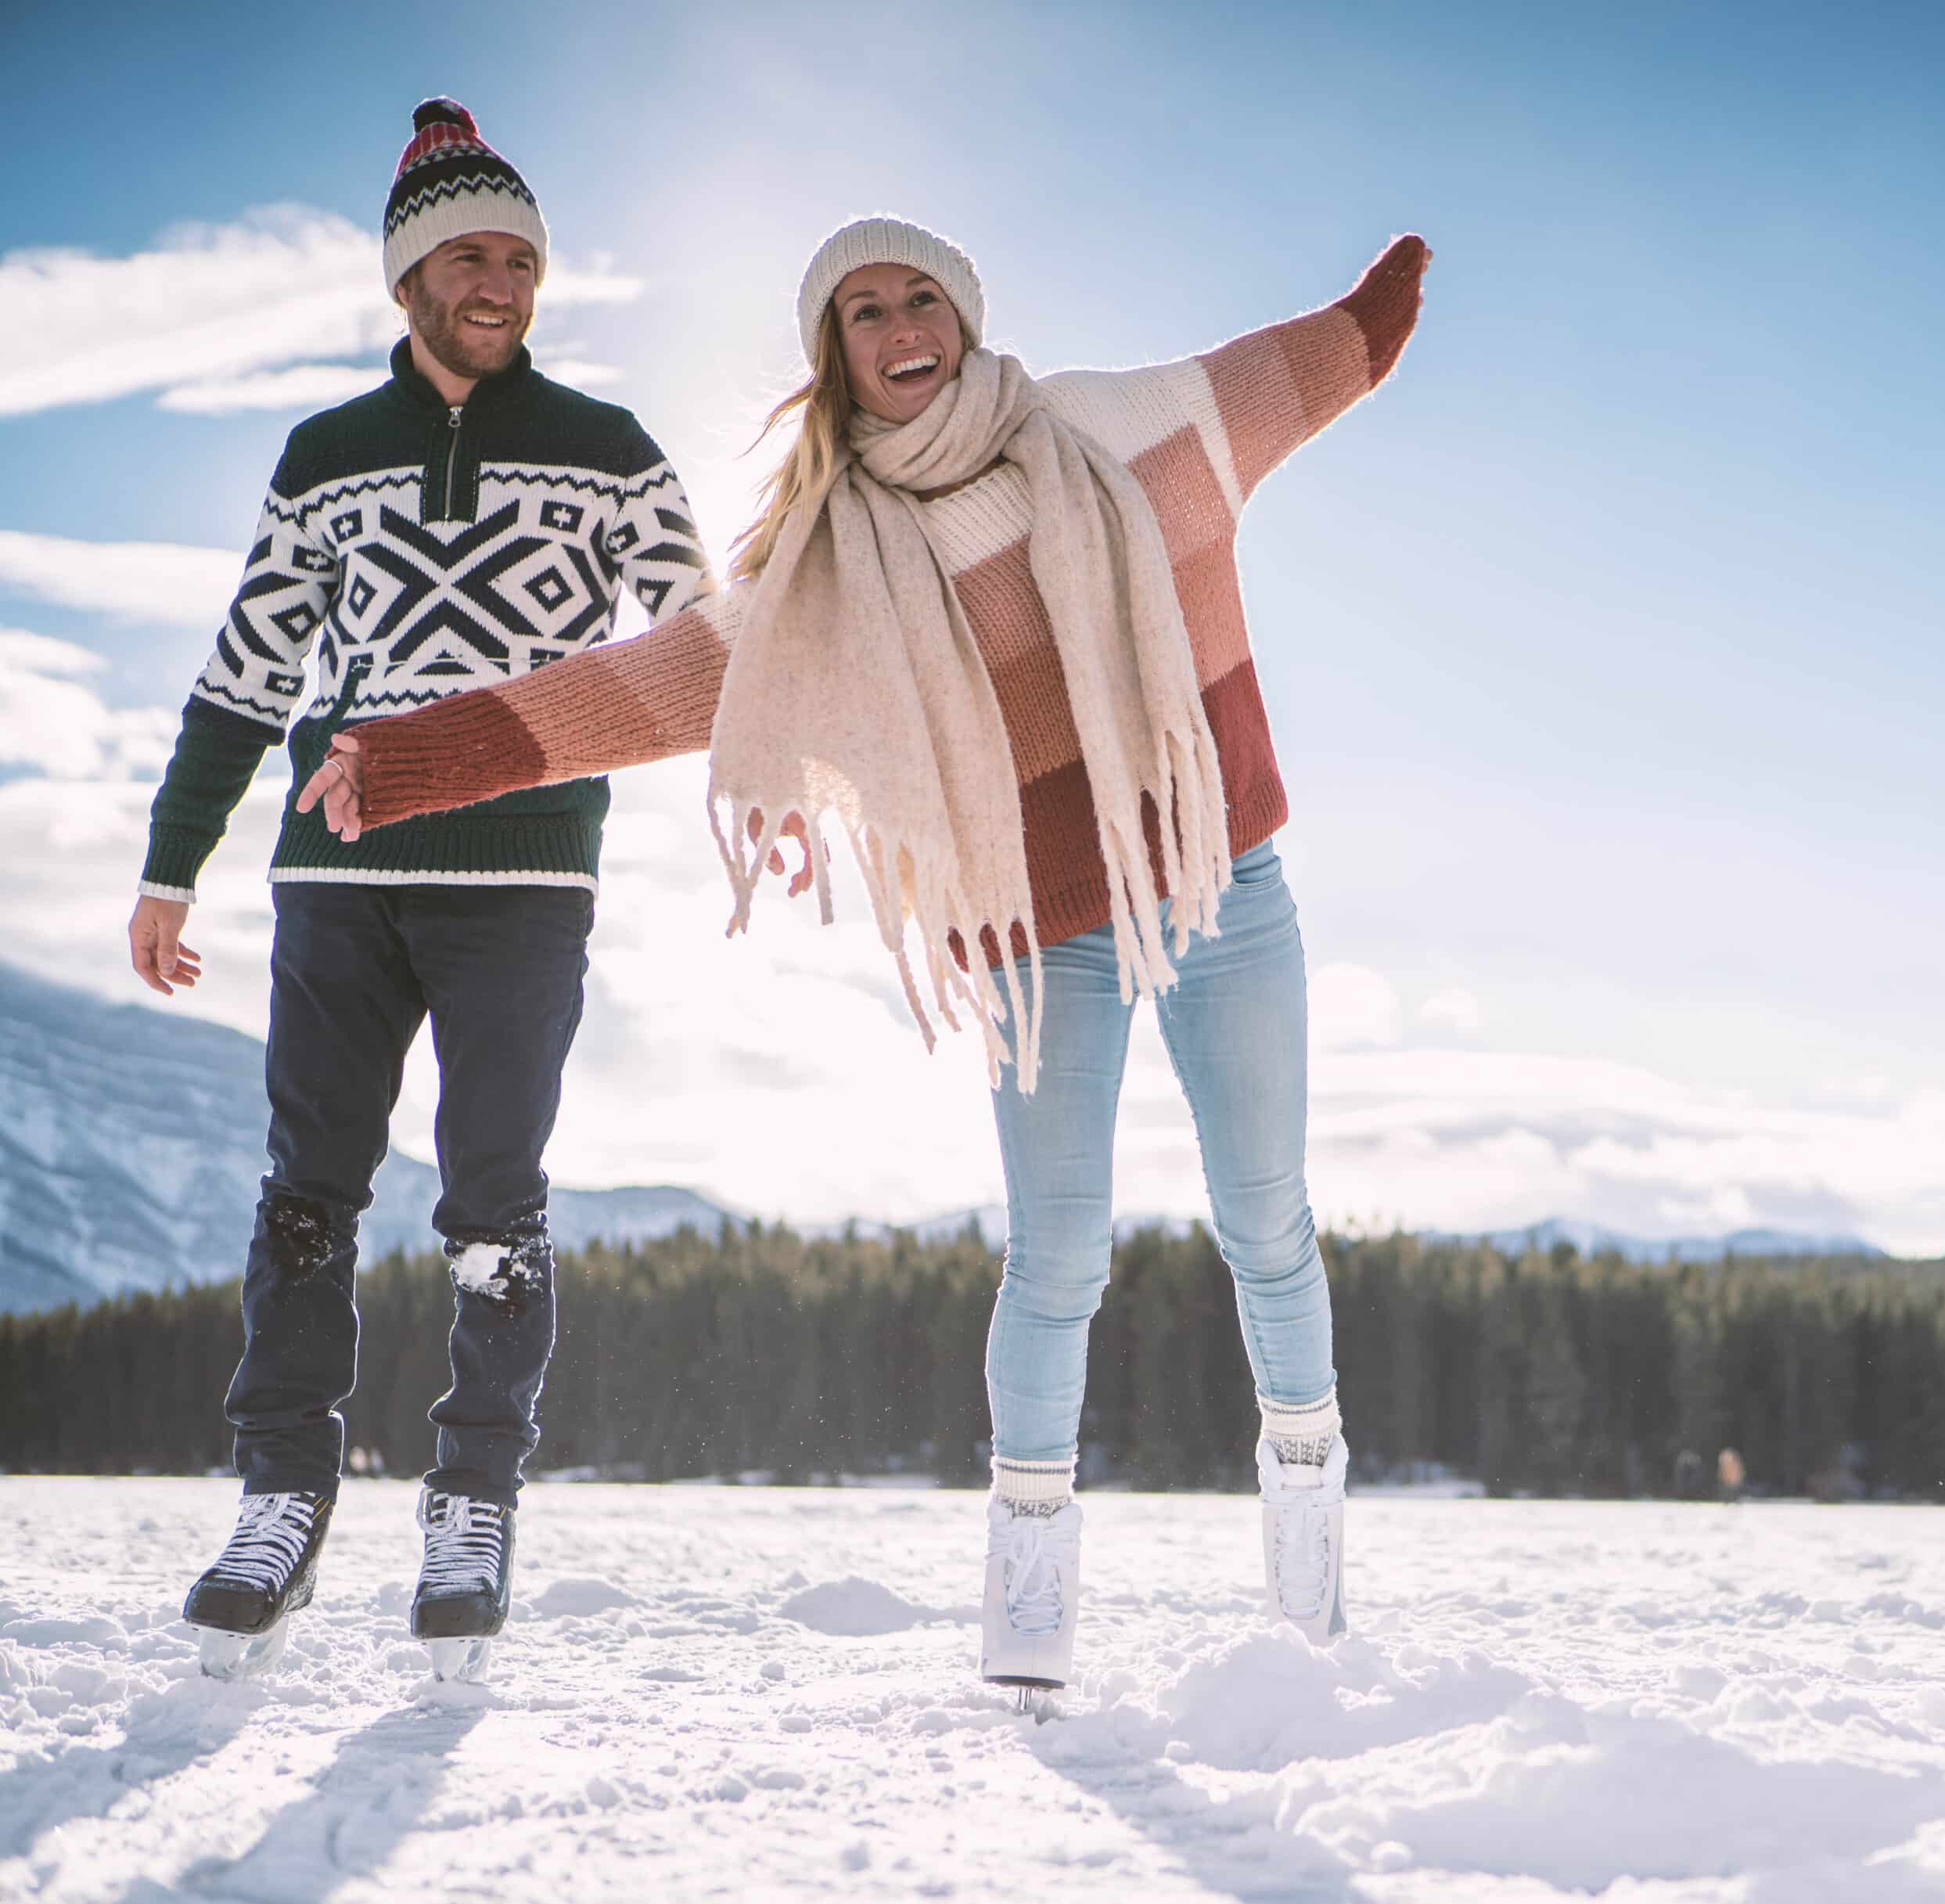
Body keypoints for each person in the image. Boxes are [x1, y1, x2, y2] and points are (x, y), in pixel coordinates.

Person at [300, 214, 1430, 1692]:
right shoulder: (823, 577)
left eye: (921, 298)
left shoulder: (1113, 430)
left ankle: (1304, 1503)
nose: (901, 327)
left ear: (962, 312)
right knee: (1059, 1252)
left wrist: (1376, 314)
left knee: (1265, 1220)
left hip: (1214, 868)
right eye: (862, 312)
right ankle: (1030, 1562)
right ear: (831, 353)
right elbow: (629, 692)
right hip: (1034, 929)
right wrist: (408, 761)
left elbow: (1282, 375)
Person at [128, 99, 712, 1680]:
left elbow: (708, 650)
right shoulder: (323, 457)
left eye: (520, 256)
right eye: (469, 254)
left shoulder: (609, 448)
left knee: (491, 1199)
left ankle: (471, 1501)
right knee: (309, 1188)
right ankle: (282, 1496)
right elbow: (246, 674)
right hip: (336, 873)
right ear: (407, 278)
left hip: (526, 873)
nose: (500, 279)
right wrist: (173, 861)